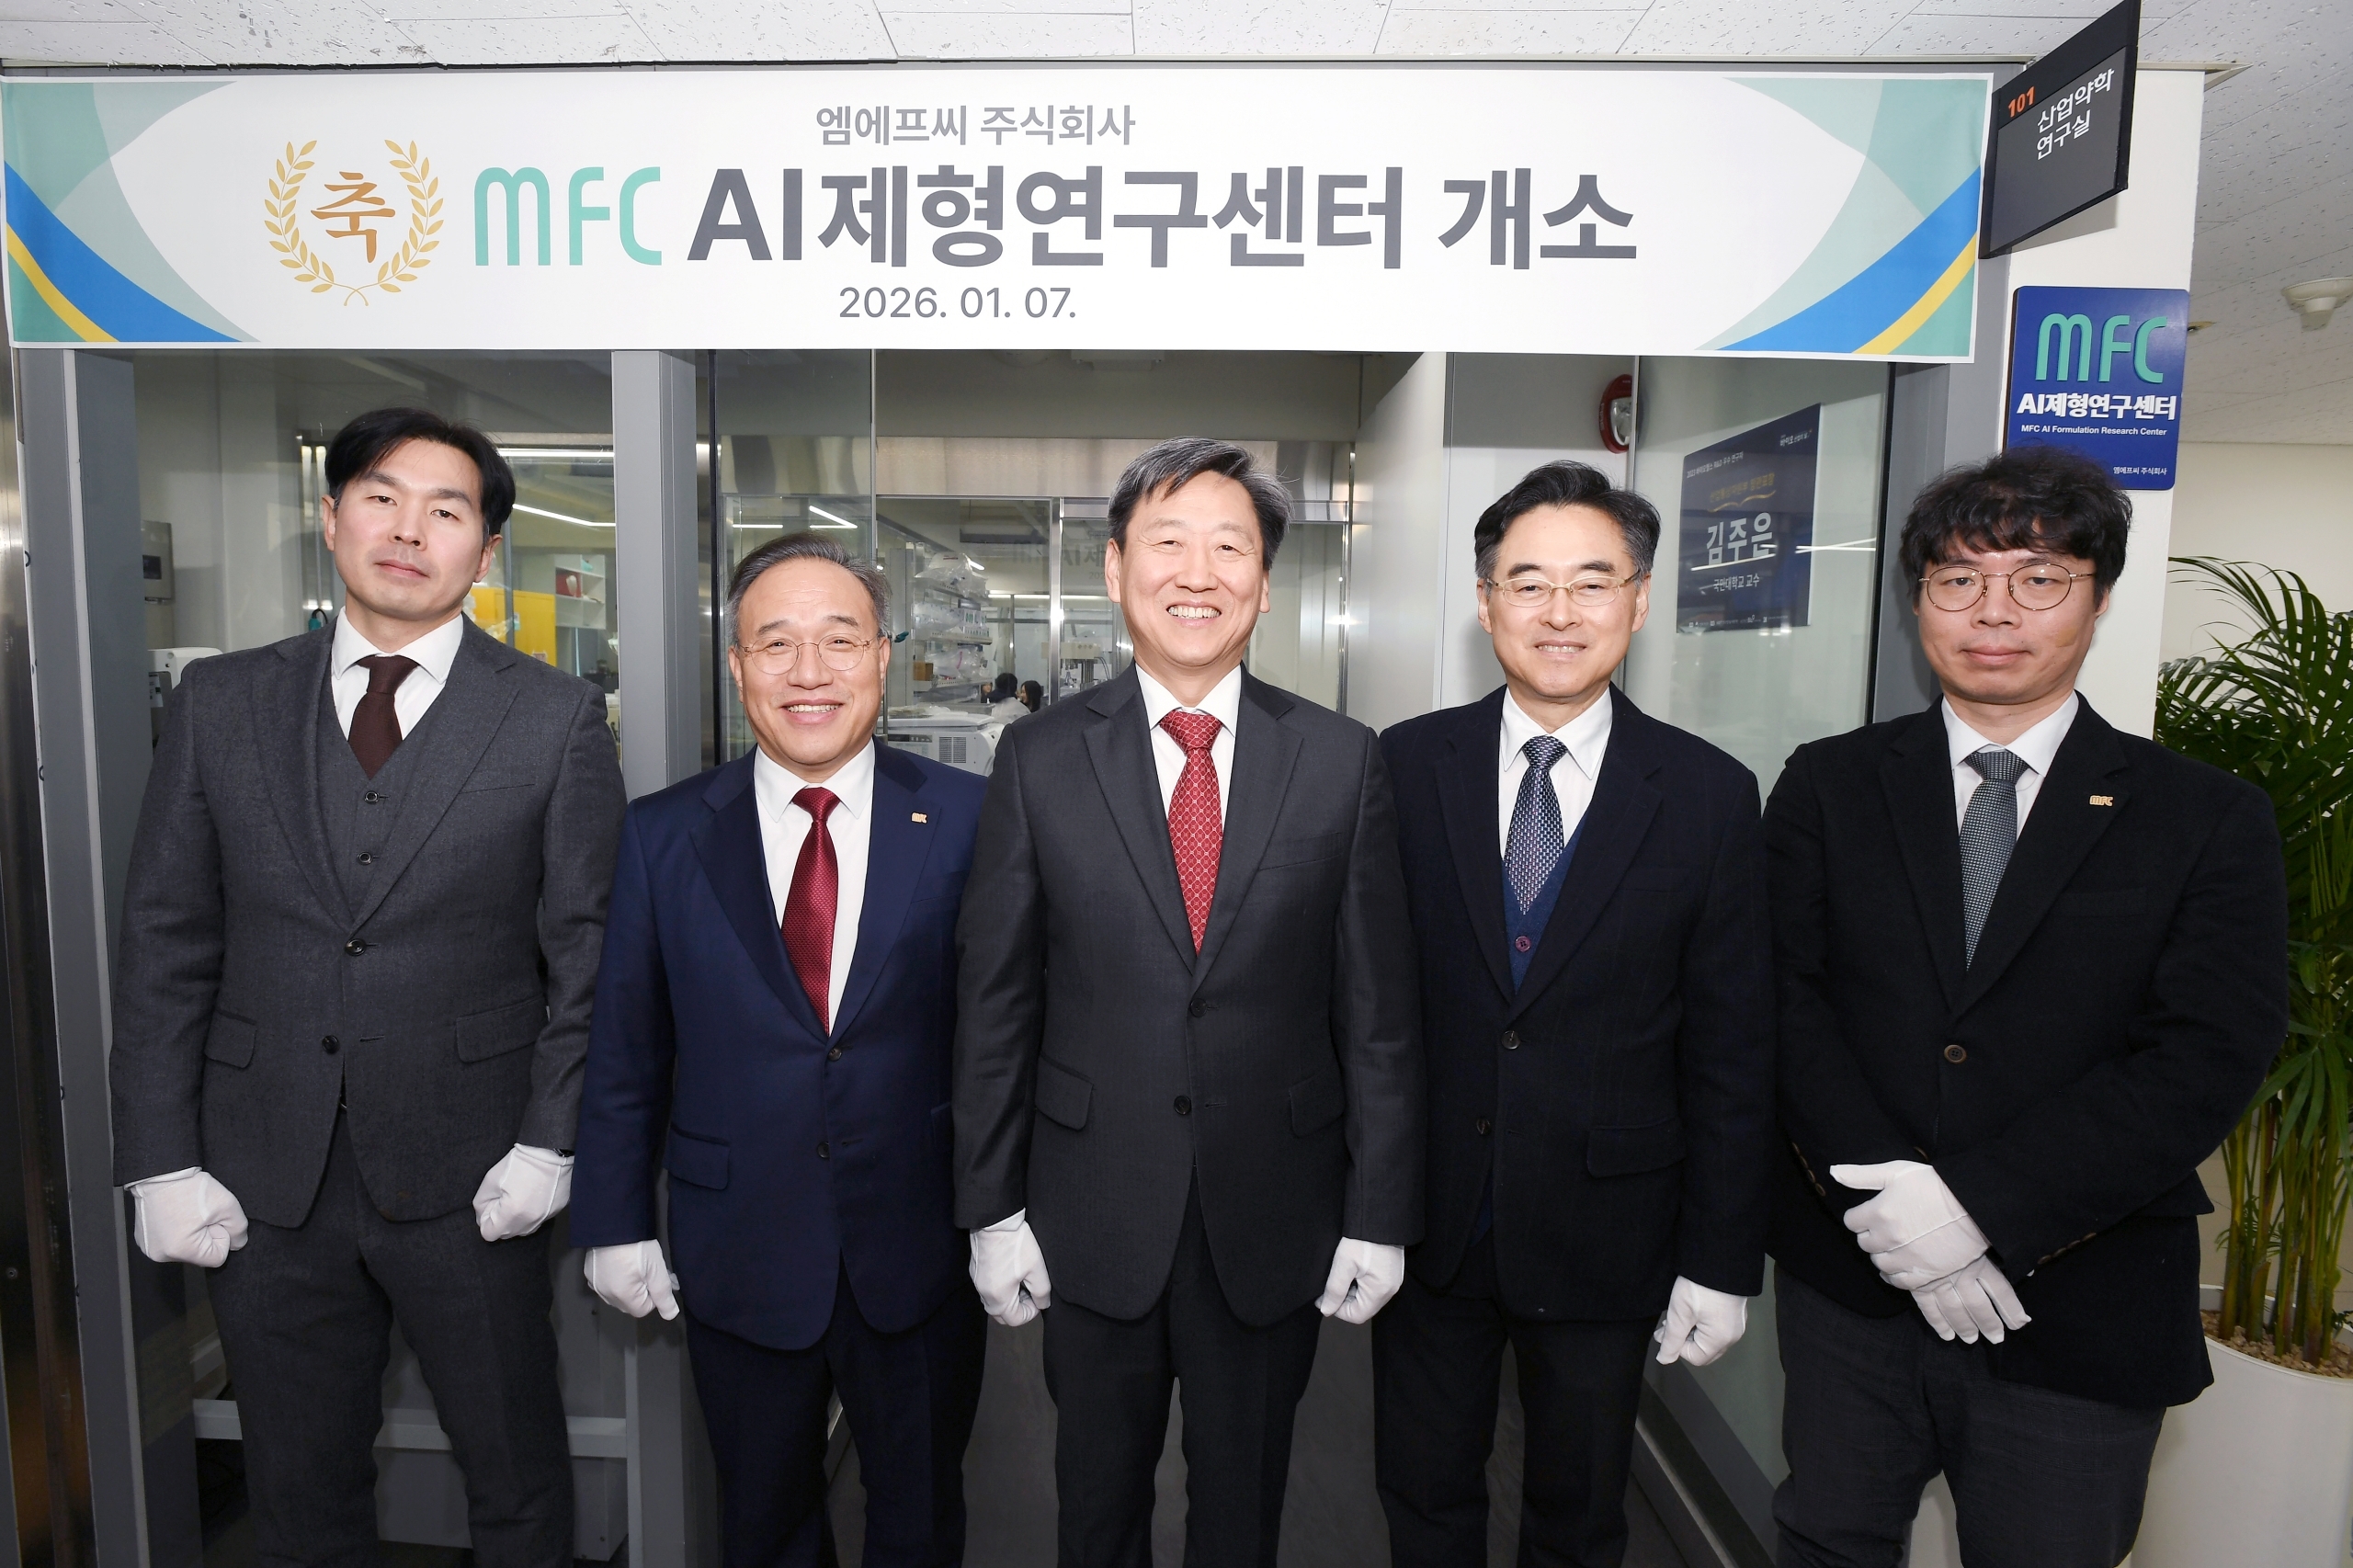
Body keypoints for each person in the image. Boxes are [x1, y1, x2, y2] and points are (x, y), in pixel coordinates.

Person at [109, 407, 626, 1564]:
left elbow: (586, 950)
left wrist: (551, 1140)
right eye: (382, 498)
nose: (409, 530)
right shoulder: (222, 702)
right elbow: (165, 938)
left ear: (484, 550)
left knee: (517, 1475)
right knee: (299, 1491)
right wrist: (159, 1155)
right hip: (261, 1176)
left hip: (472, 1171)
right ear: (331, 515)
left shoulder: (551, 717)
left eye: (447, 510)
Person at [1767, 447, 2288, 1568]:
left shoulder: (2204, 816)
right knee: (1824, 1539)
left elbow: (2205, 1054)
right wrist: (1898, 1214)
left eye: (2038, 578)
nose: (1992, 611)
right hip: (1853, 1285)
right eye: (1957, 578)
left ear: (2097, 597)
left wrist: (1976, 1211)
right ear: (1918, 602)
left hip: (2079, 1300)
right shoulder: (1828, 783)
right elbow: (1783, 1002)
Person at [953, 437, 1423, 1566]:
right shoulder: (1038, 756)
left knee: (1242, 1514)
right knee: (1094, 1508)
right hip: (1089, 1207)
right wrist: (989, 1207)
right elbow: (995, 1001)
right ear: (1118, 568)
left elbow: (1377, 1013)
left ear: (1264, 580)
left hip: (1272, 1210)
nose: (1197, 573)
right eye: (1167, 542)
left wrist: (1379, 1211)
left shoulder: (1342, 759)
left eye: (1230, 547)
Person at [1374, 460, 1772, 1567]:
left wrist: (1722, 1257)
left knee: (1582, 1513)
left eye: (1592, 582)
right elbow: (1365, 1003)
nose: (1559, 612)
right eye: (1528, 581)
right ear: (1486, 600)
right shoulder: (1404, 764)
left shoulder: (1708, 792)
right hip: (1431, 1218)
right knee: (1421, 1494)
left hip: (1610, 1227)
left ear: (1637, 602)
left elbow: (1733, 1047)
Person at [571, 534, 987, 1567]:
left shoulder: (969, 817)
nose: (810, 672)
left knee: (923, 1517)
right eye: (777, 643)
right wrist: (614, 1220)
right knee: (762, 1522)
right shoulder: (664, 833)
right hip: (739, 1245)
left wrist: (1010, 1208)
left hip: (919, 1243)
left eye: (839, 641)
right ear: (738, 664)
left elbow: (1005, 1030)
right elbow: (627, 1044)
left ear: (881, 657)